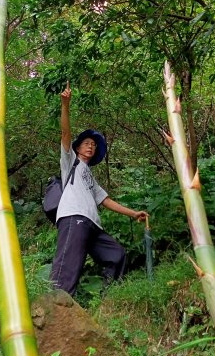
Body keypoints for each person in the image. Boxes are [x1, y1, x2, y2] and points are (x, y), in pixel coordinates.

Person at [50, 81, 148, 296]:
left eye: (93, 145)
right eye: (86, 143)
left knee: (117, 255)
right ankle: (53, 311)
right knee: (67, 269)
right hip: (73, 217)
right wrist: (65, 105)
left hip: (92, 225)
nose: (90, 146)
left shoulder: (90, 177)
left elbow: (106, 200)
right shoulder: (70, 162)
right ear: (77, 148)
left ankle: (107, 301)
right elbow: (65, 135)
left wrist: (133, 214)